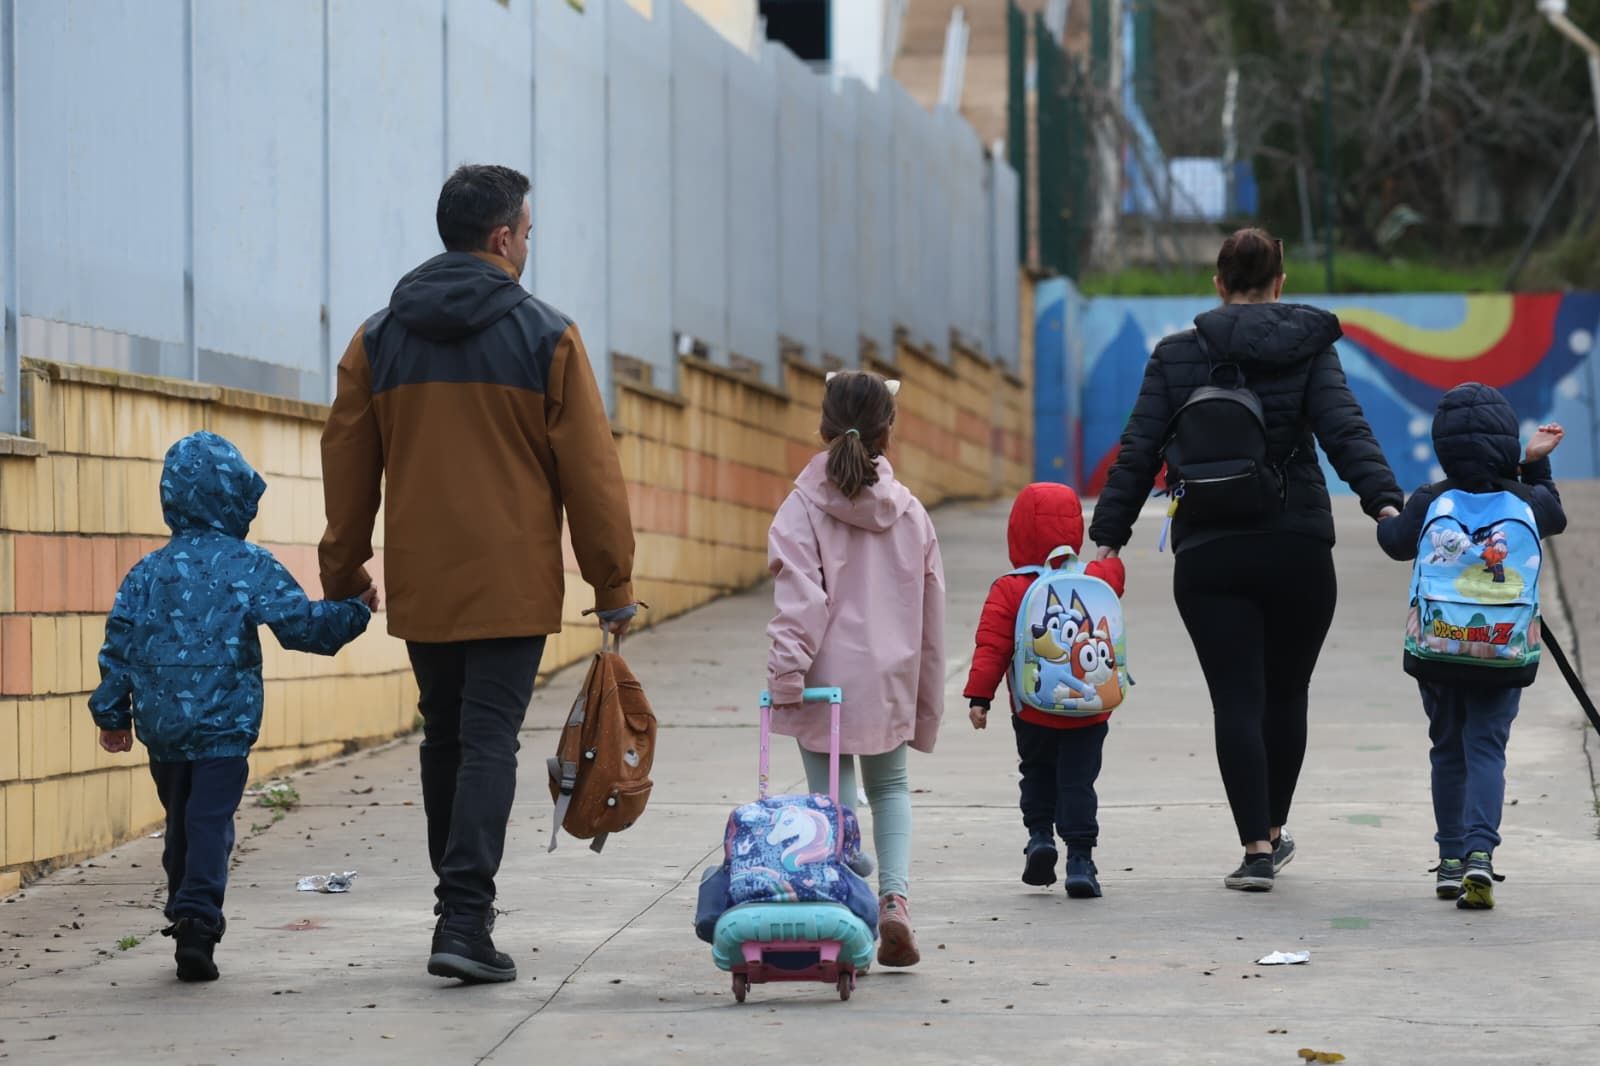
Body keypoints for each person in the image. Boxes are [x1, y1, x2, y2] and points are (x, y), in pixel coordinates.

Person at [318, 164, 638, 984]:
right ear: (503, 239)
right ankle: (465, 918)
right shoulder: (547, 335)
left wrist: (345, 565)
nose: (528, 244)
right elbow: (592, 475)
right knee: (489, 737)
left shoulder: (378, 337)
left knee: (448, 736)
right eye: (527, 232)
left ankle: (454, 911)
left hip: (424, 580)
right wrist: (611, 585)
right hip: (511, 581)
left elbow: (348, 459)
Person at [1088, 227, 1403, 892]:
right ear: (1281, 284)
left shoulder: (1177, 354)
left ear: (1219, 285)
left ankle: (1256, 846)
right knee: (1286, 693)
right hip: (1298, 544)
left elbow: (1139, 448)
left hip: (1209, 548)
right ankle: (1278, 827)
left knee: (1235, 696)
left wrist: (1108, 537)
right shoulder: (1313, 348)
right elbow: (1346, 430)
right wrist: (1385, 505)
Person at [89, 431, 373, 982]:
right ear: (235, 497)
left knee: (183, 824)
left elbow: (118, 644)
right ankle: (196, 919)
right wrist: (354, 611)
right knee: (210, 821)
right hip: (224, 726)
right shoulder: (249, 564)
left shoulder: (147, 572)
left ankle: (185, 911)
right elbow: (302, 628)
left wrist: (112, 715)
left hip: (163, 728)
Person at [766, 370, 945, 967]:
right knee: (889, 787)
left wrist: (787, 679)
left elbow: (800, 603)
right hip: (890, 680)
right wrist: (925, 699)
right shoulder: (911, 514)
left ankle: (847, 915)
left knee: (830, 803)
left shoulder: (800, 509)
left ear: (822, 427)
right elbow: (930, 612)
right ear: (887, 434)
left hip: (823, 684)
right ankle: (894, 900)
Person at [1377, 385, 1567, 909]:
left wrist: (1388, 517)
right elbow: (1555, 516)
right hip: (1502, 650)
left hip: (1438, 648)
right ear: (1506, 440)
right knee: (1487, 747)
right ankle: (1482, 855)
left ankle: (1451, 861)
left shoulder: (1431, 499)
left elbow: (1395, 545)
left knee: (1446, 748)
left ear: (1442, 446)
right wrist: (1533, 466)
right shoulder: (1526, 499)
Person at [965, 483, 1127, 897]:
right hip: (1090, 707)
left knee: (1036, 770)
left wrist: (980, 697)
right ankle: (1080, 860)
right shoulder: (1093, 578)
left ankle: (1039, 837)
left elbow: (992, 645)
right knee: (1079, 781)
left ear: (1016, 531)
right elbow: (1114, 573)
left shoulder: (1010, 587)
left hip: (1033, 708)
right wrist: (1106, 554)